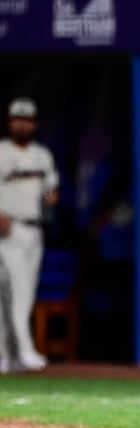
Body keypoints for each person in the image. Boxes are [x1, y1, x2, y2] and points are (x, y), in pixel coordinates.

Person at [0, 98, 60, 375]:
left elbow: (51, 190)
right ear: (9, 121)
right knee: (18, 290)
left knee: (13, 293)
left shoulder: (42, 155)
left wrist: (50, 197)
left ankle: (5, 355)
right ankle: (24, 350)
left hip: (34, 230)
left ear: (34, 124)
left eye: (26, 119)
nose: (21, 123)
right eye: (16, 118)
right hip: (8, 230)